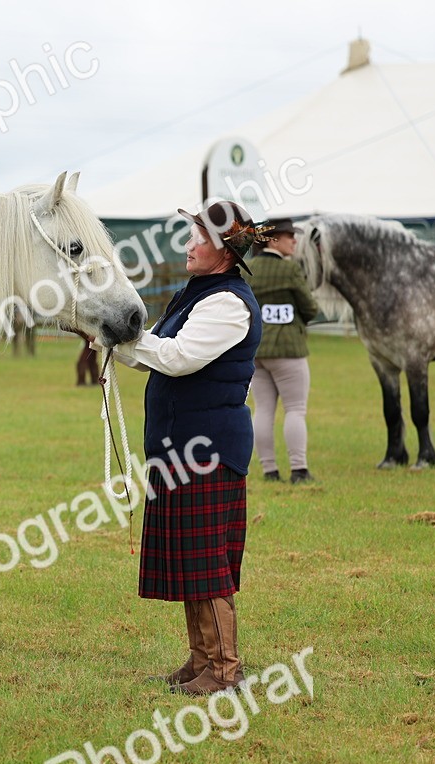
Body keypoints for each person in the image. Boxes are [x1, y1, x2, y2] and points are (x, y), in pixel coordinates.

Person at [113, 199, 266, 696]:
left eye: (197, 236)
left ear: (222, 249)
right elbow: (150, 354)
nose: (188, 245)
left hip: (208, 450)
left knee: (207, 564)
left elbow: (176, 358)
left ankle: (225, 669)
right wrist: (108, 337)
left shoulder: (227, 303)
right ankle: (202, 660)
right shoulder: (195, 294)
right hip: (181, 449)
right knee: (191, 560)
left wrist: (127, 340)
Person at [243, 218, 320, 483]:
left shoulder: (248, 269)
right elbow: (310, 308)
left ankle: (269, 470)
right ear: (273, 240)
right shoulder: (290, 271)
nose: (294, 241)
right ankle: (299, 469)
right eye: (289, 236)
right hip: (289, 349)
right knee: (295, 409)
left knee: (263, 409)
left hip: (257, 350)